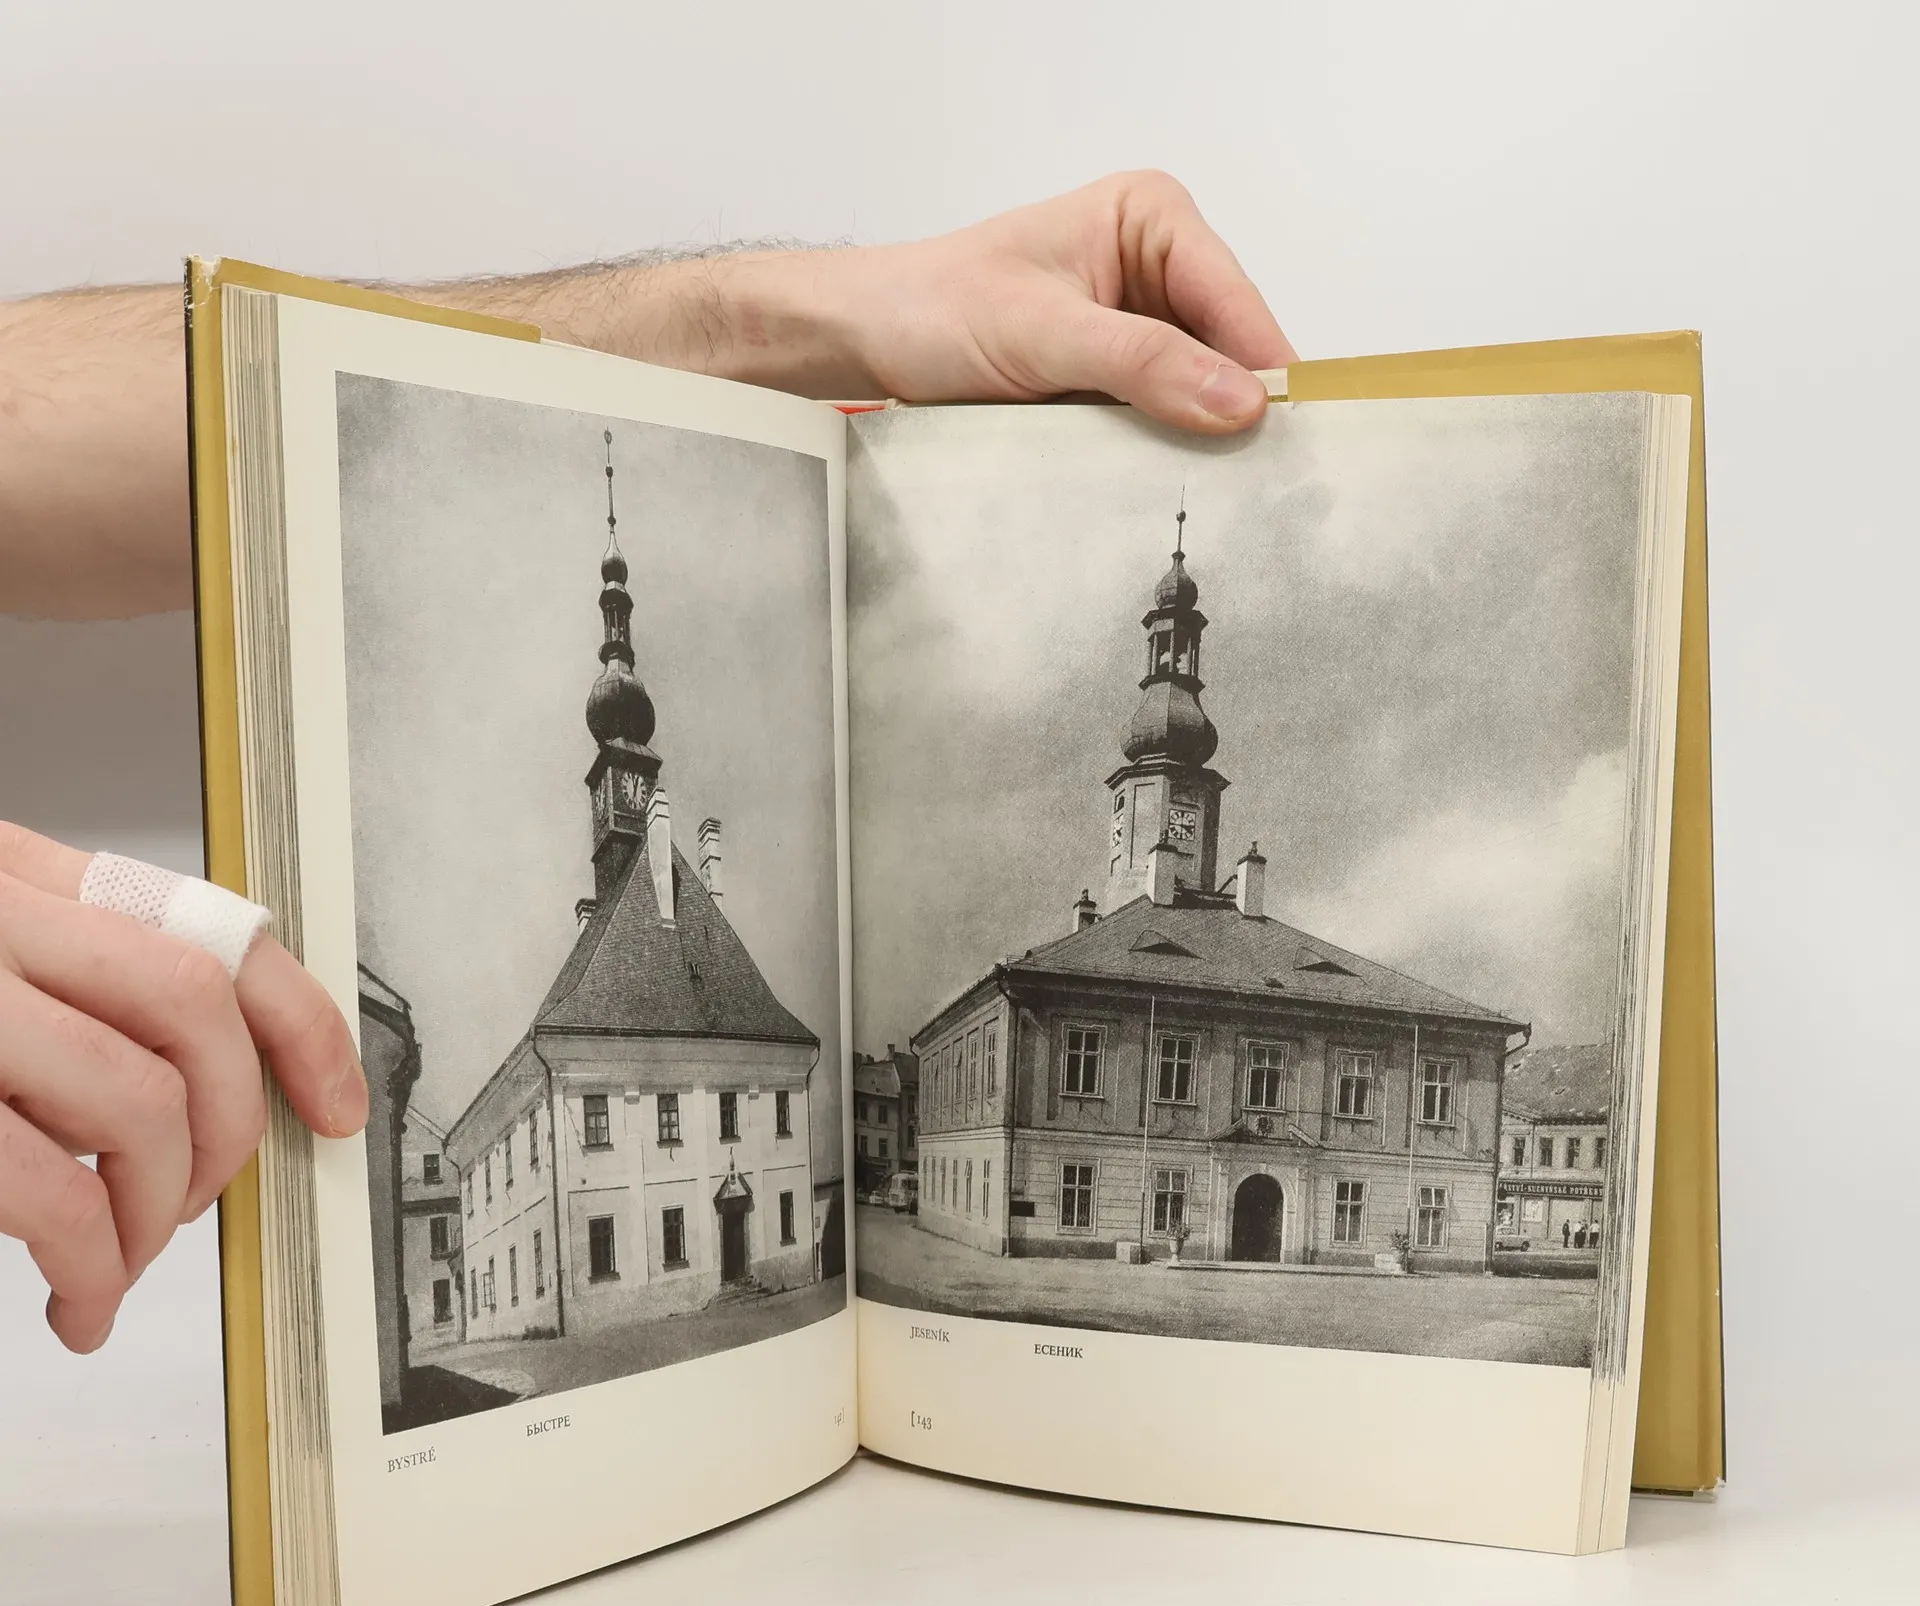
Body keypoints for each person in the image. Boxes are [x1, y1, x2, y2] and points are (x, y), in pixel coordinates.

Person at [0, 172, 1293, 1355]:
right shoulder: (624, 885)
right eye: (618, 790)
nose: (622, 801)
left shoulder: (673, 890)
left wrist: (799, 316)